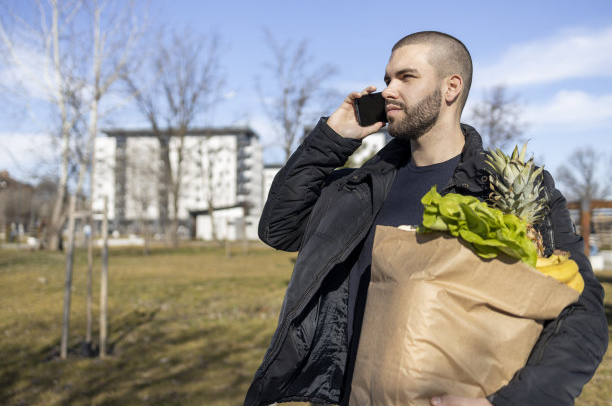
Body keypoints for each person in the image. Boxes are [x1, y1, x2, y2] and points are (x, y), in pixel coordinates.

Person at [244, 31, 608, 406]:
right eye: (387, 79)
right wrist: (334, 137)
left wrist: (509, 403)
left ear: (450, 88)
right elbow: (279, 226)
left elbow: (581, 312)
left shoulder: (508, 190)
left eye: (406, 77)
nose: (388, 90)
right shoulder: (358, 188)